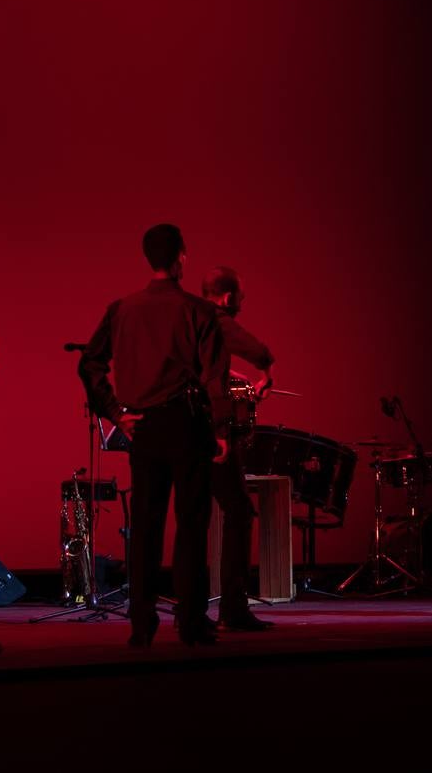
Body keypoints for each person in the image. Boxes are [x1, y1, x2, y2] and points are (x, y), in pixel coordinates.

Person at [78, 224, 230, 647]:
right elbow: (215, 378)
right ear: (182, 255)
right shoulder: (198, 312)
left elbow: (90, 364)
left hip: (142, 428)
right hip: (186, 423)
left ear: (148, 259)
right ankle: (192, 622)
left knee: (145, 528)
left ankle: (141, 624)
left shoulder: (121, 309)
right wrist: (221, 430)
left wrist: (115, 413)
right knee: (191, 524)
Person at [201, 265, 274, 630]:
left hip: (184, 428)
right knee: (239, 512)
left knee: (193, 515)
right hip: (211, 432)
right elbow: (257, 350)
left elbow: (198, 369)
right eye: (241, 297)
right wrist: (265, 370)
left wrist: (230, 375)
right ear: (228, 297)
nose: (242, 303)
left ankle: (193, 612)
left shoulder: (190, 319)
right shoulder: (218, 318)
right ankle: (233, 608)